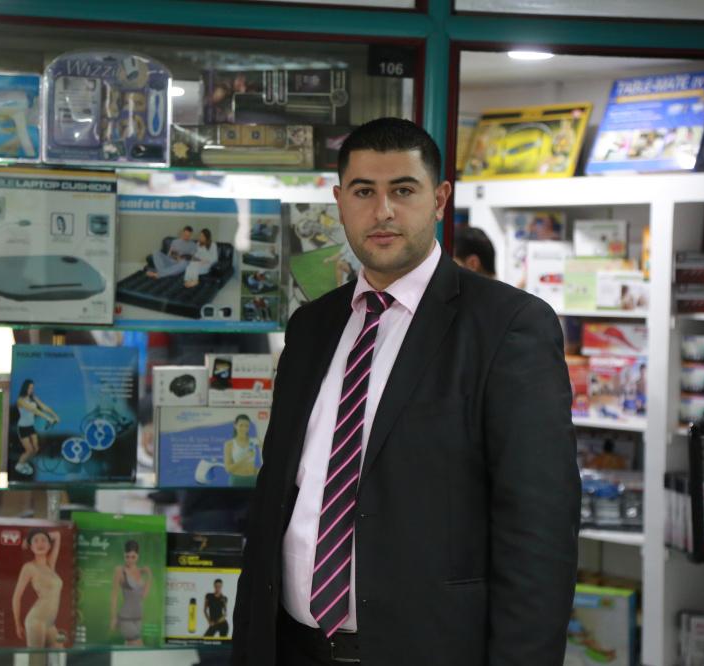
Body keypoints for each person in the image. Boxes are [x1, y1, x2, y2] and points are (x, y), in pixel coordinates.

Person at [232, 118, 579, 665]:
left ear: (439, 200)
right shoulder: (312, 326)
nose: (383, 211)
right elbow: (278, 494)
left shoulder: (507, 326)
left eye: (403, 190)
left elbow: (540, 530)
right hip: (293, 646)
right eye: (363, 192)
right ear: (339, 202)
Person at [12, 529, 65, 648]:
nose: (40, 543)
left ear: (49, 545)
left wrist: (30, 539)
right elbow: (16, 596)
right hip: (36, 620)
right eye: (35, 541)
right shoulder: (29, 567)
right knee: (37, 658)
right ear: (31, 547)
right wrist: (17, 624)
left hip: (50, 623)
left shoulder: (50, 565)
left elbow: (57, 535)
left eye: (43, 540)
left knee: (59, 654)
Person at [110, 540, 152, 646]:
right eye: (127, 556)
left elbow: (143, 596)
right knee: (139, 645)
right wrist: (114, 617)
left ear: (138, 556)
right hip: (126, 618)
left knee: (130, 647)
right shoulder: (120, 571)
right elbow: (114, 595)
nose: (130, 560)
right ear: (124, 555)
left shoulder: (139, 572)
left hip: (138, 618)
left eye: (133, 557)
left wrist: (149, 575)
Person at [14, 379, 59, 476]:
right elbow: (34, 410)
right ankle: (19, 466)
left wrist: (55, 415)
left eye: (32, 388)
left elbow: (44, 407)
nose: (31, 390)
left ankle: (24, 462)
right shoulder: (20, 400)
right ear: (25, 388)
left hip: (31, 426)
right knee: (29, 450)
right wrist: (48, 418)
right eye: (30, 388)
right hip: (22, 428)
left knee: (36, 448)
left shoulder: (33, 398)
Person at [223, 414, 261, 487]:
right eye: (241, 425)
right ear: (235, 425)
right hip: (236, 480)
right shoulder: (229, 444)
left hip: (253, 479)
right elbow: (228, 469)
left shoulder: (254, 441)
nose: (244, 428)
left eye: (247, 426)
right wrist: (245, 459)